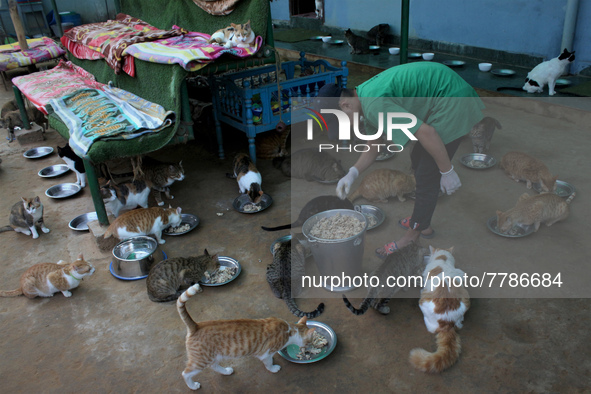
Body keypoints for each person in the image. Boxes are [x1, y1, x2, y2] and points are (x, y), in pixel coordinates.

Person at [316, 61, 484, 257]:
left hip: (453, 99)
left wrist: (447, 171)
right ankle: (423, 222)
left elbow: (427, 133)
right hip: (440, 94)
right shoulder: (362, 97)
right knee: (418, 156)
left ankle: (411, 237)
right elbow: (376, 143)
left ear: (345, 105)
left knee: (428, 171)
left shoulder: (374, 105)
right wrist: (353, 173)